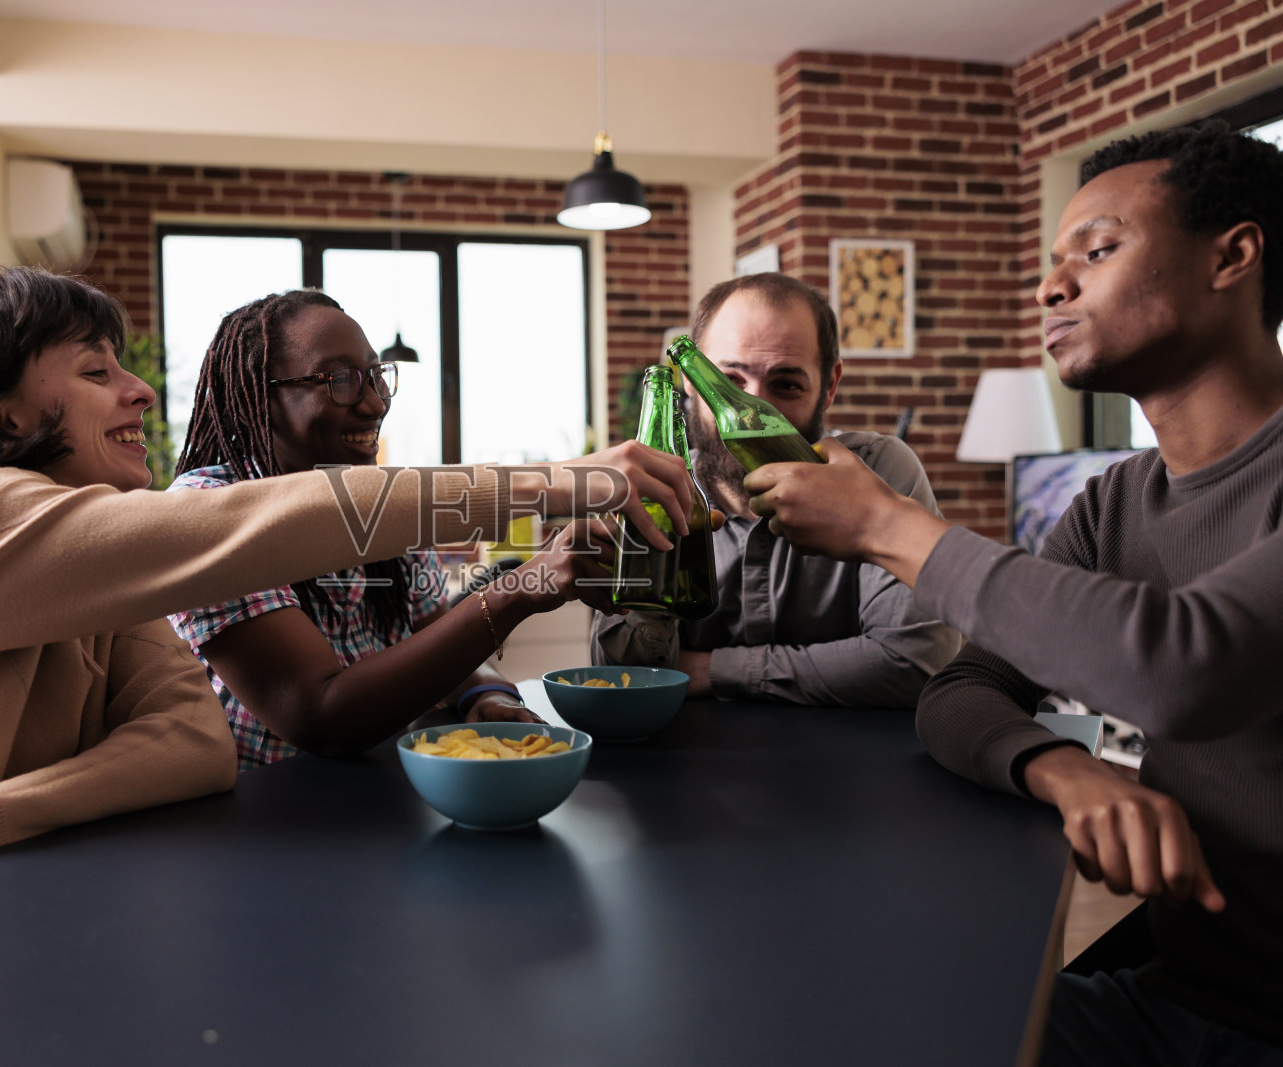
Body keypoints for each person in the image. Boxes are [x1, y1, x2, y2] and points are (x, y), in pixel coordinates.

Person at [0, 267, 694, 940]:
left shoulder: (84, 560)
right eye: (94, 371)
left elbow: (188, 742)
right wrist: (552, 482)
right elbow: (242, 536)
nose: (135, 393)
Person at [742, 122, 1283, 1061]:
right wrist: (1060, 768)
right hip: (1177, 997)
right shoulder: (1119, 500)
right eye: (1053, 260)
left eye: (1099, 250)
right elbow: (962, 688)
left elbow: (1184, 663)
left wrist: (888, 526)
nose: (1050, 287)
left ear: (1231, 257)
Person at [167, 291, 627, 767]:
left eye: (376, 376)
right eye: (340, 380)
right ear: (262, 398)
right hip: (257, 820)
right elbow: (320, 716)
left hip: (375, 803)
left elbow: (433, 642)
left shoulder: (382, 502)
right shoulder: (207, 511)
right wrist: (518, 590)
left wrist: (487, 696)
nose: (374, 403)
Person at [591, 273, 959, 707]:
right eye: (727, 381)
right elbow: (620, 678)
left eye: (786, 385)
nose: (749, 411)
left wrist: (709, 670)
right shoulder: (654, 491)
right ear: (690, 381)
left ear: (829, 386)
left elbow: (918, 661)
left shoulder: (880, 471)